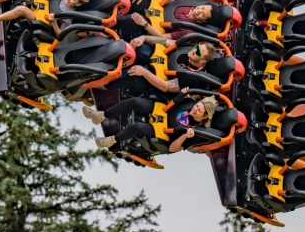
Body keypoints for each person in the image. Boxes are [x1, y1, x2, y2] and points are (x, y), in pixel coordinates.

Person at [87, 95, 218, 152]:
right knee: (136, 102)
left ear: (204, 116)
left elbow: (173, 149)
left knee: (137, 127)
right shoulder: (189, 103)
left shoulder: (196, 133)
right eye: (196, 106)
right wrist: (182, 94)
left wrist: (184, 136)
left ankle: (111, 140)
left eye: (198, 110)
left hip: (162, 133)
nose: (194, 109)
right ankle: (101, 116)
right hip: (162, 112)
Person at [102, 38, 220, 93]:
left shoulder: (194, 79)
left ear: (203, 61)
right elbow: (165, 42)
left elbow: (165, 86)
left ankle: (104, 83)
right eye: (197, 47)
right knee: (139, 48)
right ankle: (103, 52)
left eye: (198, 52)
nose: (194, 50)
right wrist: (143, 38)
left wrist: (144, 72)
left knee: (135, 74)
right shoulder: (188, 46)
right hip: (155, 55)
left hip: (156, 74)